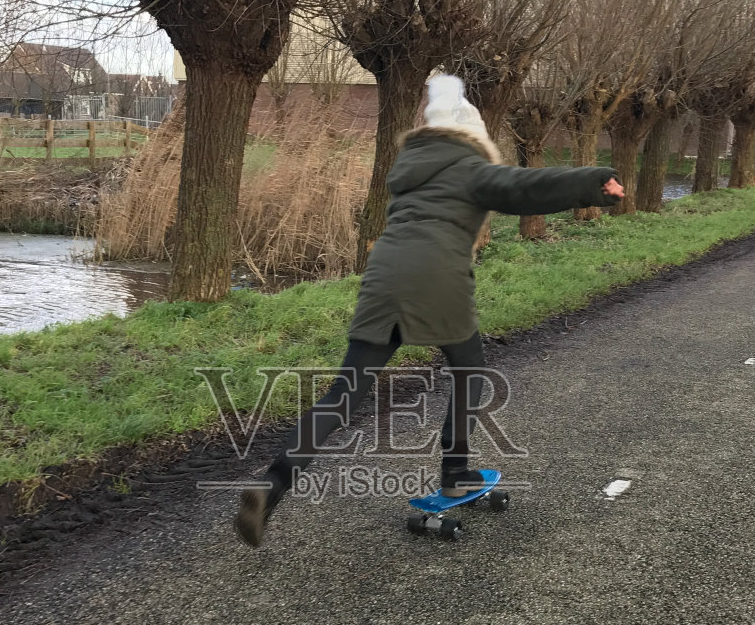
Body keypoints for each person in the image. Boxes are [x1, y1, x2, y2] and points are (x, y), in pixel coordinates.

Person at [234, 73, 625, 547]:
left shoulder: (410, 169)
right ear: (473, 136)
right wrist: (592, 182)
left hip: (383, 278)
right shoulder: (469, 166)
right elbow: (524, 188)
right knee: (468, 373)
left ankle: (272, 484)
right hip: (437, 278)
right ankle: (456, 471)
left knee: (345, 392)